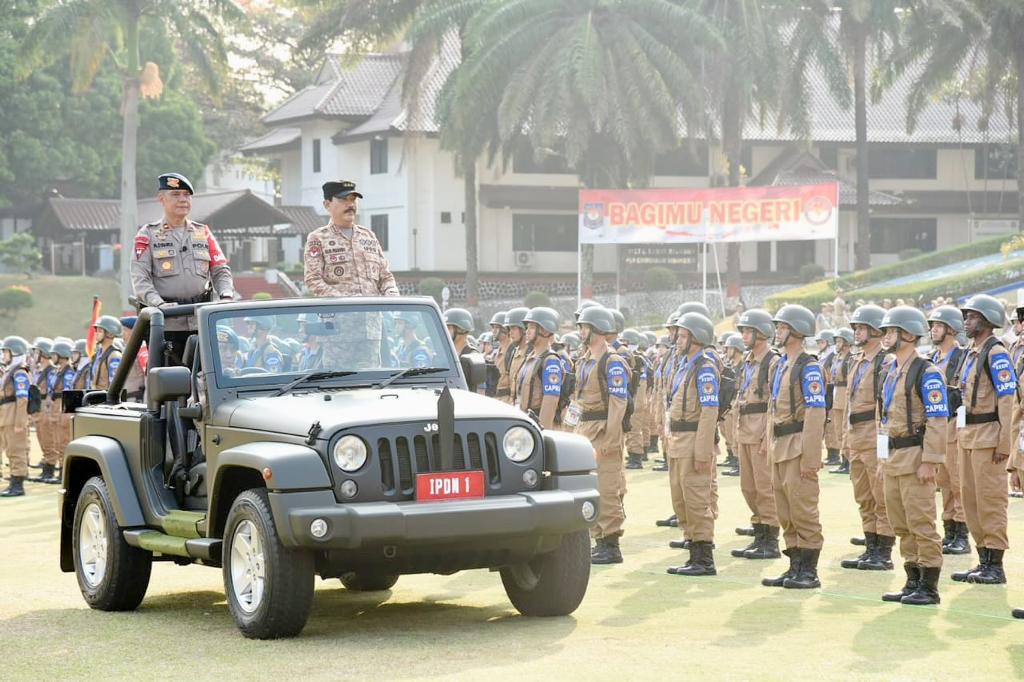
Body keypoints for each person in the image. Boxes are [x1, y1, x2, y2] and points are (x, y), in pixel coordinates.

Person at [877, 307, 949, 606]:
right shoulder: (892, 370)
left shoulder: (927, 372)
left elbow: (937, 418)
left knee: (921, 522)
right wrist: (882, 459)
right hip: (893, 456)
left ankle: (929, 587)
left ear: (908, 334)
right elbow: (884, 418)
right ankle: (912, 580)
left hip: (915, 455)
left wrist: (931, 461)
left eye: (891, 331)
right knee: (900, 523)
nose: (886, 336)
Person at [131, 172, 235, 363]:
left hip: (200, 321)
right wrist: (159, 304)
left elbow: (221, 270)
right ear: (161, 199)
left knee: (204, 382)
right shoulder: (148, 234)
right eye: (176, 195)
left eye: (186, 195)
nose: (182, 200)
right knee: (167, 385)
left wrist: (226, 296)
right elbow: (140, 279)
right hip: (165, 325)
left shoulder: (202, 232)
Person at [761, 305, 827, 590]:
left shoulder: (808, 367)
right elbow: (772, 407)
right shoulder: (780, 364)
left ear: (797, 331)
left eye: (782, 326)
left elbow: (815, 414)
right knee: (785, 510)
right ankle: (794, 565)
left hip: (798, 445)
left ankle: (808, 571)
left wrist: (810, 458)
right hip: (780, 445)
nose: (777, 331)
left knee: (803, 509)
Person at [952, 294, 1016, 585]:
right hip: (967, 436)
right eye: (966, 316)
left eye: (973, 316)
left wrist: (1005, 444)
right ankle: (983, 559)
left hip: (989, 437)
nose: (967, 321)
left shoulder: (996, 353)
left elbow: (1007, 400)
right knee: (970, 501)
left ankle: (995, 564)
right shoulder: (971, 351)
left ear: (988, 321)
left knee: (990, 500)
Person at [569, 306, 629, 565]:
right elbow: (577, 399)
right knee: (590, 489)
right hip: (584, 432)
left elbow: (618, 404)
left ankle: (611, 543)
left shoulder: (612, 362)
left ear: (596, 329)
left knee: (607, 488)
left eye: (584, 326)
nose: (581, 331)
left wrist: (611, 440)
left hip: (603, 433)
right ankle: (598, 539)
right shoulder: (583, 360)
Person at [664, 312, 721, 577]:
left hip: (692, 440)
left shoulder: (705, 368)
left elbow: (709, 412)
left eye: (684, 335)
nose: (678, 340)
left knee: (697, 499)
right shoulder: (685, 365)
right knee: (681, 498)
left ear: (697, 338)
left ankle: (704, 559)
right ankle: (692, 551)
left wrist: (702, 451)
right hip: (678, 440)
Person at [841, 304, 895, 572]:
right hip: (856, 435)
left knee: (880, 494)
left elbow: (884, 405)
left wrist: (882, 440)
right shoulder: (858, 360)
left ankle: (883, 552)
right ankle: (870, 545)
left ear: (875, 330)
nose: (857, 332)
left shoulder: (885, 362)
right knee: (863, 495)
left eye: (862, 327)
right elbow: (849, 403)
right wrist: (844, 438)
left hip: (874, 435)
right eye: (856, 328)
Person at [731, 309, 781, 561]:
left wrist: (767, 436)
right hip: (745, 430)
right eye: (743, 331)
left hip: (761, 431)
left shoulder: (772, 362)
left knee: (765, 488)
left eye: (749, 331)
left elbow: (775, 403)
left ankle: (770, 540)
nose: (744, 335)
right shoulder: (748, 362)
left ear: (762, 333)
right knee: (748, 488)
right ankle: (759, 532)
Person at [303, 180, 399, 298]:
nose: (350, 205)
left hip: (372, 315)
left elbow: (385, 277)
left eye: (353, 199)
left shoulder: (368, 236)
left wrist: (392, 295)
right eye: (343, 200)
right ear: (327, 204)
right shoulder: (318, 238)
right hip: (338, 314)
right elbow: (313, 280)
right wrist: (345, 302)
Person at [927, 306, 970, 555]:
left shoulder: (962, 357)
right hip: (937, 426)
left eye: (939, 325)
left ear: (952, 330)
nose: (934, 329)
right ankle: (950, 530)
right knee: (942, 481)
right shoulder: (933, 359)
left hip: (955, 423)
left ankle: (962, 534)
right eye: (933, 325)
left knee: (957, 481)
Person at [515, 307, 565, 430]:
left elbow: (550, 400)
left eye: (532, 327)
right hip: (526, 423)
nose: (527, 331)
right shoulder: (530, 358)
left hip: (539, 426)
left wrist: (543, 433)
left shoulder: (550, 361)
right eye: (527, 327)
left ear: (545, 331)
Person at [0, 336, 32, 497]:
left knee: (16, 450)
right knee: (11, 450)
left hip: (14, 417)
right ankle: (13, 482)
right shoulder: (9, 371)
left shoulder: (19, 372)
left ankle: (18, 485)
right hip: (7, 416)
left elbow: (22, 399)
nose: (4, 355)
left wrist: (20, 422)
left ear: (15, 352)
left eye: (6, 351)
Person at [824, 328, 853, 467]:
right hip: (836, 396)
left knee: (845, 428)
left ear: (847, 342)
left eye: (840, 341)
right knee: (838, 429)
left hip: (844, 395)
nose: (837, 344)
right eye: (836, 341)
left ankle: (847, 461)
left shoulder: (851, 359)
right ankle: (843, 460)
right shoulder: (836, 358)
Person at [90, 316, 123, 391]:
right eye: (96, 331)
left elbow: (114, 384)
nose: (96, 334)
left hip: (105, 398)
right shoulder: (97, 354)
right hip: (94, 397)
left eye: (100, 331)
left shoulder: (115, 356)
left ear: (110, 334)